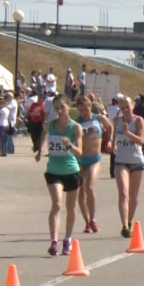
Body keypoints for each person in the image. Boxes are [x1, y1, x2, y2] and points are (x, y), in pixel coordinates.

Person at [36, 94, 83, 256]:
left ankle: (67, 239)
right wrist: (40, 149)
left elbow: (79, 152)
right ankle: (54, 241)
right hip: (53, 170)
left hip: (71, 170)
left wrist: (69, 145)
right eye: (56, 108)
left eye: (62, 107)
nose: (59, 111)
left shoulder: (75, 127)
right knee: (56, 204)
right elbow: (43, 133)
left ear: (69, 106)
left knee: (71, 207)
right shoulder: (49, 125)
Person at [75, 95, 113, 234]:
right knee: (81, 192)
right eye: (81, 110)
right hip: (80, 159)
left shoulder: (98, 118)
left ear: (90, 106)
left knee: (89, 187)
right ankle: (86, 222)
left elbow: (110, 126)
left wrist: (110, 141)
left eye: (86, 109)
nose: (84, 112)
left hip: (94, 158)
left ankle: (93, 219)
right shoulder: (77, 123)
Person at [111, 96, 144, 238]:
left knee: (133, 195)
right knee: (123, 193)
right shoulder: (117, 121)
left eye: (127, 106)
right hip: (121, 161)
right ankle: (124, 225)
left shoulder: (138, 120)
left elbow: (141, 141)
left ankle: (129, 221)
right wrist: (112, 144)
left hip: (137, 161)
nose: (125, 109)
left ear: (132, 106)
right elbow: (114, 137)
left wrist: (127, 133)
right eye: (122, 106)